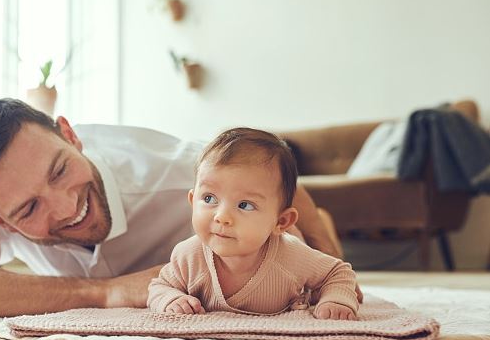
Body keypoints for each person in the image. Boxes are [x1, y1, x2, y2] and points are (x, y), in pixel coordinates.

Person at [0, 98, 347, 318]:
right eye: (30, 208)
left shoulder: (171, 170)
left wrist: (329, 253)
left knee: (295, 247)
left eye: (60, 170)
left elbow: (275, 183)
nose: (67, 206)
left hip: (252, 244)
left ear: (70, 136)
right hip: (187, 278)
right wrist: (101, 292)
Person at [147, 128, 359, 320]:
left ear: (281, 221)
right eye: (210, 199)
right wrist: (170, 299)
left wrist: (336, 300)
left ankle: (319, 222)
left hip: (290, 239)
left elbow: (337, 273)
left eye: (245, 205)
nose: (222, 217)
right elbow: (160, 286)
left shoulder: (293, 256)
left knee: (307, 247)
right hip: (273, 231)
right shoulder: (188, 255)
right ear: (193, 201)